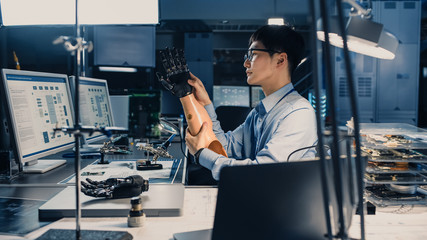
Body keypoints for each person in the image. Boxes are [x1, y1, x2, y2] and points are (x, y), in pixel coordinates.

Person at [185, 24, 318, 180]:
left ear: (280, 60)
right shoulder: (259, 113)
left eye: (253, 54)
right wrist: (205, 103)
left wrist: (201, 154)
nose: (246, 63)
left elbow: (261, 173)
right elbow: (226, 147)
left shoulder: (298, 113)